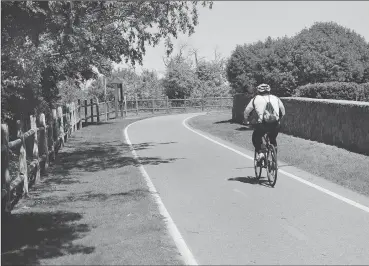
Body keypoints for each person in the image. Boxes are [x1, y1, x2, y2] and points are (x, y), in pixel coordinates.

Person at [243, 84, 286, 162]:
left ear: (258, 91)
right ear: (269, 90)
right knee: (273, 138)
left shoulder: (255, 99)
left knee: (256, 136)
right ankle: (274, 159)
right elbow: (282, 109)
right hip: (275, 124)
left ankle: (261, 153)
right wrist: (281, 117)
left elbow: (247, 111)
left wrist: (246, 119)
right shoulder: (276, 98)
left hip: (262, 124)